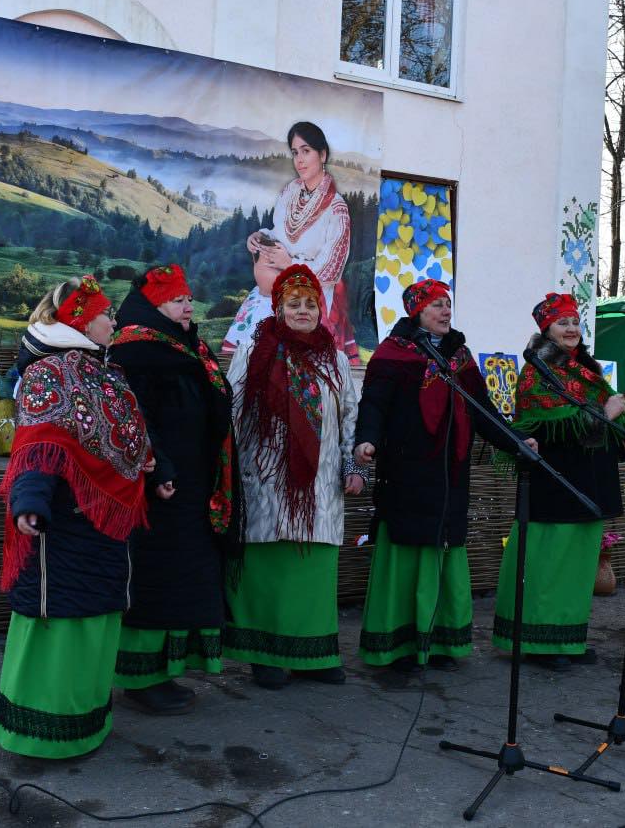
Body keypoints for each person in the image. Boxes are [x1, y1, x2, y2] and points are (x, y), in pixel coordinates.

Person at [0, 276, 152, 758]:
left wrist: (152, 465)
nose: (114, 321)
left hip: (104, 522)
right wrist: (29, 503)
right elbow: (37, 445)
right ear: (81, 321)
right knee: (60, 619)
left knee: (95, 618)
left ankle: (85, 725)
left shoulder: (104, 372)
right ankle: (39, 735)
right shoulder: (50, 373)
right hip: (62, 521)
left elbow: (128, 433)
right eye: (106, 314)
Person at [353, 279, 536, 674]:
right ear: (416, 311)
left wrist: (516, 441)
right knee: (407, 550)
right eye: (436, 304)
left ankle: (440, 642)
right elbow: (374, 405)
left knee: (445, 548)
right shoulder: (392, 353)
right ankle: (399, 645)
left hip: (451, 474)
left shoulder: (460, 359)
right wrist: (366, 440)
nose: (445, 310)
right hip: (406, 472)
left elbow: (483, 411)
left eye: (447, 304)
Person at [225, 264, 367, 689]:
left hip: (319, 484)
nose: (303, 311)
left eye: (310, 304)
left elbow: (349, 416)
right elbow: (232, 412)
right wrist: (228, 469)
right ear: (279, 308)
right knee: (268, 566)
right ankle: (265, 654)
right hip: (265, 478)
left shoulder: (335, 359)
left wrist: (353, 465)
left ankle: (313, 655)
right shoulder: (253, 352)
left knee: (313, 568)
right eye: (294, 304)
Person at [108, 264, 241, 714]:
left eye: (188, 298)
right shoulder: (135, 351)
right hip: (159, 486)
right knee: (156, 575)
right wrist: (157, 467)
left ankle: (166, 669)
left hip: (193, 481)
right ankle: (141, 676)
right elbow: (134, 417)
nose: (188, 306)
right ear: (152, 305)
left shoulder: (184, 345)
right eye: (176, 300)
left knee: (184, 575)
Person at [492, 293, 625, 671]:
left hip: (588, 478)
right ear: (546, 329)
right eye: (562, 323)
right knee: (551, 562)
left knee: (578, 564)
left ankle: (568, 637)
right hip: (555, 482)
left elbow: (606, 415)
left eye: (575, 321)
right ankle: (539, 641)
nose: (572, 328)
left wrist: (621, 408)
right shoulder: (536, 371)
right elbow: (556, 423)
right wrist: (608, 411)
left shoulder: (584, 369)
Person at [223, 121, 359, 364]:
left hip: (311, 291)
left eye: (306, 151)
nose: (299, 160)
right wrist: (260, 237)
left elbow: (332, 269)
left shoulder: (336, 208)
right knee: (255, 327)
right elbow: (279, 232)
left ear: (323, 155)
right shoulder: (291, 191)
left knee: (286, 357)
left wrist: (289, 264)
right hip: (278, 281)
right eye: (295, 152)